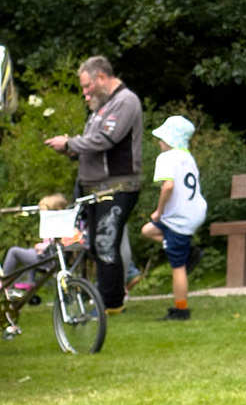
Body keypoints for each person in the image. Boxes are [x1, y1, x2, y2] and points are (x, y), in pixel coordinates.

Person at [44, 56, 142, 313]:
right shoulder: (102, 106)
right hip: (94, 189)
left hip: (116, 188)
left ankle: (110, 304)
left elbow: (106, 139)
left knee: (106, 244)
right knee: (98, 247)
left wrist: (70, 143)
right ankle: (108, 298)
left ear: (101, 77)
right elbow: (93, 144)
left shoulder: (125, 101)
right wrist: (72, 150)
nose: (85, 92)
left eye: (87, 86)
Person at [141, 115, 209, 320]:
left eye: (162, 138)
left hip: (178, 218)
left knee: (177, 268)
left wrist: (158, 211)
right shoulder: (188, 157)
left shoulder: (166, 158)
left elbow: (168, 186)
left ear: (170, 140)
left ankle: (181, 309)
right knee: (147, 230)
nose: (159, 142)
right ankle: (185, 250)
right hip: (193, 211)